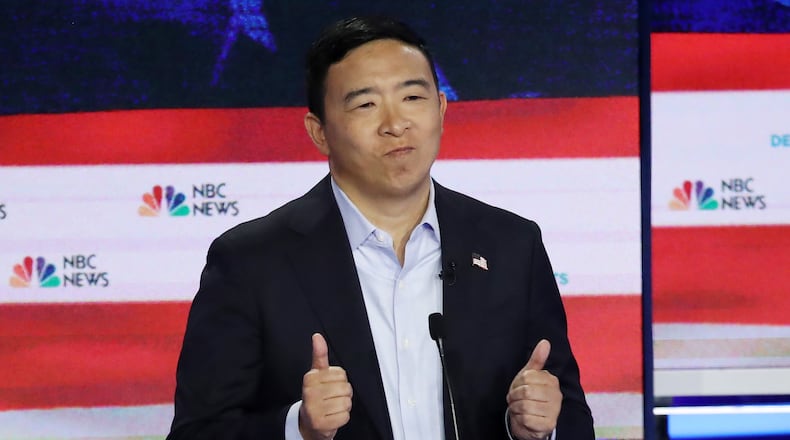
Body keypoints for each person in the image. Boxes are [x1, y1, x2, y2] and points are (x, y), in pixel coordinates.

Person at [167, 16, 594, 440]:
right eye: (365, 104)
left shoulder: (512, 246)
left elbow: (570, 417)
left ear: (442, 110)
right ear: (319, 133)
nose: (395, 123)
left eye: (412, 97)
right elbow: (196, 432)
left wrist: (537, 428)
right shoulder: (251, 262)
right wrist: (297, 429)